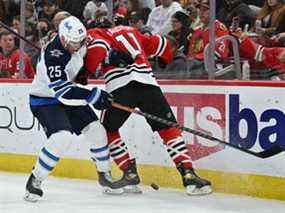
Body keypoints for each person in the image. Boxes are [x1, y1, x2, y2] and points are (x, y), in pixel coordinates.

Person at [82, 23, 212, 195]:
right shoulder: (131, 30)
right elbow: (161, 43)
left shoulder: (96, 33)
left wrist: (85, 72)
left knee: (105, 131)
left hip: (120, 86)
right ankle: (189, 175)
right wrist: (165, 60)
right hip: (148, 83)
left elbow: (97, 47)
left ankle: (129, 173)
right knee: (168, 129)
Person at [24, 16, 125, 202]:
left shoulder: (78, 41)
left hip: (67, 94)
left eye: (80, 42)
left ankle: (105, 176)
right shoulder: (54, 55)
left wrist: (109, 57)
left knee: (97, 130)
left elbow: (86, 55)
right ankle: (35, 180)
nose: (77, 46)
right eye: (73, 43)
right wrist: (93, 96)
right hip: (46, 100)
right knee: (62, 137)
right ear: (62, 39)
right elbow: (63, 92)